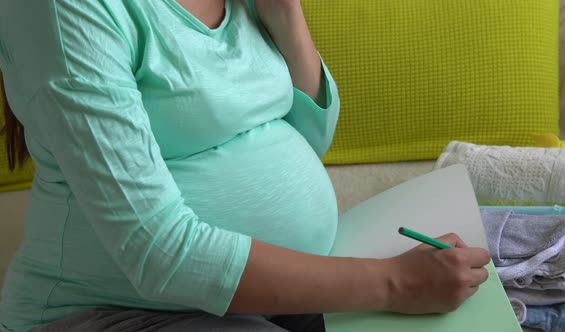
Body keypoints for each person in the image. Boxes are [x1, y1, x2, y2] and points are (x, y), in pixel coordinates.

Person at [0, 0, 491, 331]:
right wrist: (395, 283)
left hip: (266, 294)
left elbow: (307, 139)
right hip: (114, 311)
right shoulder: (62, 11)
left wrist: (286, 15)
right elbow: (158, 253)